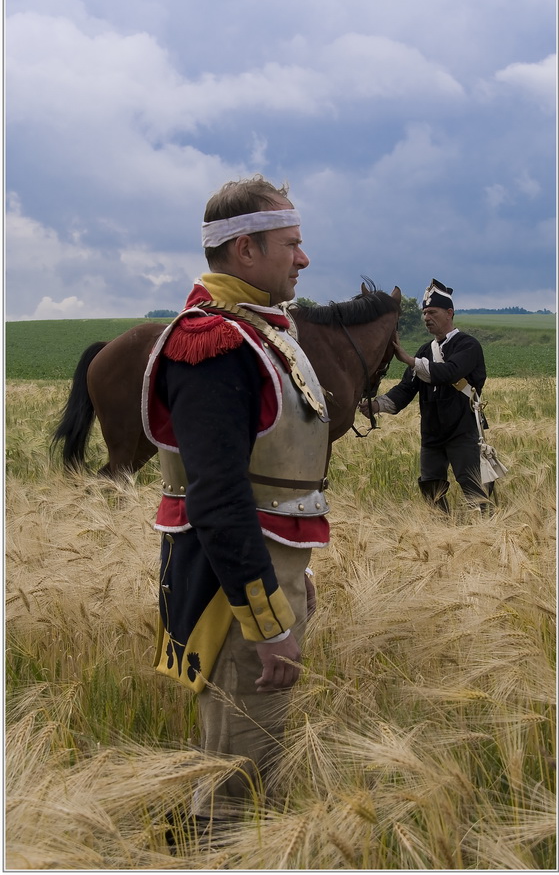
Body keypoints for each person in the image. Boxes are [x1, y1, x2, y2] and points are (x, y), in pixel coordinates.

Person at [141, 175, 330, 835]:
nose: (303, 258)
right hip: (239, 597)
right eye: (291, 243)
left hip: (263, 578)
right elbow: (218, 499)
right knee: (239, 784)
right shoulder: (213, 345)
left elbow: (265, 486)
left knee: (252, 758)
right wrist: (267, 619)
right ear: (245, 250)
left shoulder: (254, 332)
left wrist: (290, 571)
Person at [360, 278, 490, 513]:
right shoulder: (424, 351)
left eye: (432, 312)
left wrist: (410, 360)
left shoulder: (468, 346)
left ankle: (488, 533)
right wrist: (377, 405)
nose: (426, 317)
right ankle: (441, 533)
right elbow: (407, 388)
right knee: (431, 489)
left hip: (462, 429)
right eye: (424, 313)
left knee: (474, 488)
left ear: (449, 313)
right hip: (432, 433)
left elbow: (448, 372)